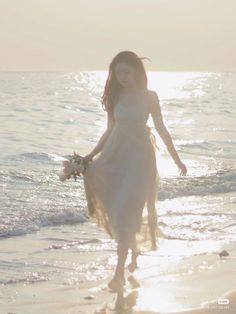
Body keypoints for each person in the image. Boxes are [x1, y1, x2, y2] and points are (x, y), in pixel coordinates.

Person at [81, 51, 187, 292]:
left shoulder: (150, 97)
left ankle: (118, 274)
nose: (122, 77)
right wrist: (90, 156)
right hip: (116, 158)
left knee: (128, 213)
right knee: (120, 211)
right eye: (117, 73)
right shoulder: (115, 98)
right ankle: (131, 249)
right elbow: (109, 131)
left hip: (141, 162)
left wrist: (177, 160)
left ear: (137, 71)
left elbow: (162, 129)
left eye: (126, 72)